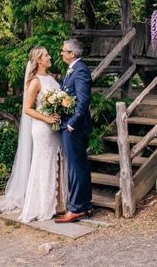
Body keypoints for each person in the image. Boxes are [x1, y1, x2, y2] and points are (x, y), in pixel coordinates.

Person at [0, 46, 67, 222]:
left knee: (58, 161)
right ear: (39, 60)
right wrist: (46, 118)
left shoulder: (51, 78)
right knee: (43, 163)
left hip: (54, 125)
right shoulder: (35, 82)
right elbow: (28, 109)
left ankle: (58, 204)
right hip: (42, 128)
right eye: (46, 55)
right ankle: (42, 205)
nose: (49, 56)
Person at [55, 38, 93, 223]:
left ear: (72, 54)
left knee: (75, 167)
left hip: (74, 127)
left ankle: (76, 208)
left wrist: (72, 123)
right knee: (80, 165)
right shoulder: (73, 70)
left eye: (63, 51)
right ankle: (85, 205)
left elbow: (83, 101)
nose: (61, 53)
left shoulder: (80, 71)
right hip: (71, 124)